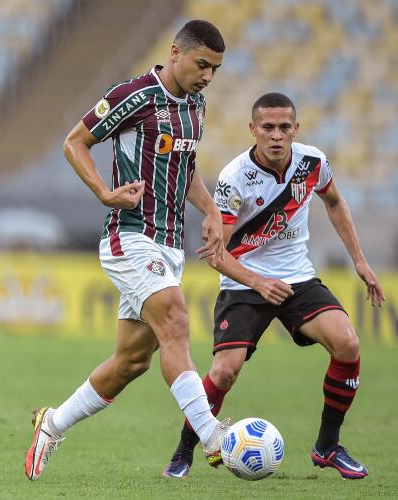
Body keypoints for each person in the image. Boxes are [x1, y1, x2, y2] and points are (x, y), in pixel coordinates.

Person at [25, 20, 230, 480]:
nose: (208, 77)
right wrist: (104, 191)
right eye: (202, 65)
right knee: (176, 322)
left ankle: (51, 423)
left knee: (132, 361)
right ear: (175, 52)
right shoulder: (134, 94)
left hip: (170, 243)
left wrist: (212, 209)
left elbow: (186, 164)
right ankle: (212, 437)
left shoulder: (197, 104)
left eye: (215, 69)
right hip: (130, 235)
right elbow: (75, 142)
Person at [162, 92, 385, 480]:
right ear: (253, 130)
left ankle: (327, 447)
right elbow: (216, 254)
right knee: (225, 371)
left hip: (297, 276)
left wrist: (360, 262)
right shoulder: (234, 179)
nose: (277, 135)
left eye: (285, 127)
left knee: (348, 344)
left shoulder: (313, 162)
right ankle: (184, 451)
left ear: (296, 129)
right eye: (268, 127)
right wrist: (258, 282)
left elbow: (334, 202)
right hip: (244, 281)